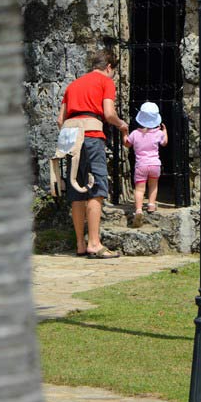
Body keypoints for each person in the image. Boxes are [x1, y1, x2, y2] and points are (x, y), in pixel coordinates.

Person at [56, 49, 128, 258]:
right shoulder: (105, 82)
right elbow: (108, 113)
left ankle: (80, 243)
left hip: (70, 137)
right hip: (91, 134)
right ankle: (94, 243)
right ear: (108, 67)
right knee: (96, 187)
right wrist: (122, 125)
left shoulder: (73, 85)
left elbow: (60, 120)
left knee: (76, 189)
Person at [122, 102, 168, 227]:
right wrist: (165, 131)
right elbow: (164, 143)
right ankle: (151, 205)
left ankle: (138, 209)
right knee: (153, 185)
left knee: (139, 189)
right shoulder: (158, 133)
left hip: (141, 165)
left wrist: (124, 133)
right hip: (154, 165)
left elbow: (127, 144)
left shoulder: (135, 134)